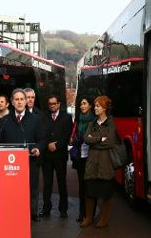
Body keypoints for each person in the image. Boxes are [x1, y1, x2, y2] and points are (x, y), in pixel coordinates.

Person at [0, 88, 45, 222]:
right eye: (16, 99)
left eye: (22, 99)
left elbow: (42, 139)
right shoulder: (6, 120)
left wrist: (38, 148)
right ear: (12, 102)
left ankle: (32, 214)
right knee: (13, 192)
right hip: (12, 165)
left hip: (30, 162)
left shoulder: (35, 119)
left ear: (26, 102)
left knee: (32, 188)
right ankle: (13, 215)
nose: (19, 102)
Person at [81, 95, 118, 228]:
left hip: (105, 164)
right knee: (89, 192)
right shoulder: (92, 123)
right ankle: (89, 218)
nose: (95, 108)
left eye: (98, 106)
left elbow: (110, 142)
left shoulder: (111, 123)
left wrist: (94, 140)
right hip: (92, 163)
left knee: (105, 193)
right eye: (95, 106)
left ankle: (103, 219)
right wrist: (99, 139)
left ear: (104, 108)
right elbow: (86, 138)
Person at [40, 94, 73, 218]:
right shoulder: (43, 117)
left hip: (60, 155)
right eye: (50, 104)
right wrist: (48, 144)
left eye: (54, 103)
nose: (52, 106)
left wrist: (57, 145)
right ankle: (46, 208)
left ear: (59, 104)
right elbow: (41, 133)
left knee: (61, 183)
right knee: (47, 183)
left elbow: (67, 134)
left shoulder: (67, 117)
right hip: (47, 156)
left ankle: (63, 209)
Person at [70, 97, 96, 223]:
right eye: (81, 104)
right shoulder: (78, 119)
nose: (82, 106)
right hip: (80, 156)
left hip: (91, 157)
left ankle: (90, 214)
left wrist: (85, 138)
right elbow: (74, 135)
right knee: (81, 186)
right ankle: (82, 213)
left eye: (84, 104)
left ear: (90, 106)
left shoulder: (94, 120)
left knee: (90, 186)